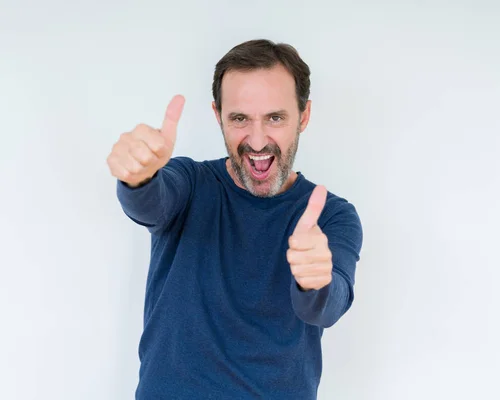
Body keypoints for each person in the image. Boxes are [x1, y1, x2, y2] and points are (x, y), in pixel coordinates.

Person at [107, 39, 363, 399]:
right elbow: (150, 204)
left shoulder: (333, 215)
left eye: (275, 117)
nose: (257, 141)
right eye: (240, 118)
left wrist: (314, 281)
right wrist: (138, 177)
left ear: (303, 116)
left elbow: (326, 306)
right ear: (218, 115)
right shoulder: (190, 184)